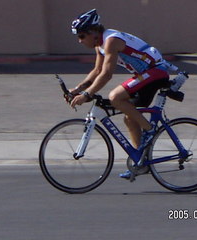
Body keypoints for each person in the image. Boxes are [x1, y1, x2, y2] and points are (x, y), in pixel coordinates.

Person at [69, 9, 176, 179]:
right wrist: (77, 89)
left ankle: (149, 130)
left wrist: (87, 95)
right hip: (147, 74)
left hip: (155, 71)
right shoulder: (100, 45)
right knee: (129, 117)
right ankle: (140, 161)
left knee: (115, 97)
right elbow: (97, 70)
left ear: (94, 32)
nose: (80, 40)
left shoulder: (111, 40)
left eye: (82, 35)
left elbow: (106, 74)